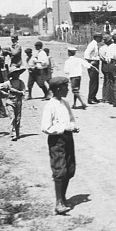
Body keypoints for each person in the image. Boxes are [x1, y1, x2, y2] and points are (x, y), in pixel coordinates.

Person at [41, 77, 79, 215]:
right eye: (65, 87)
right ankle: (58, 203)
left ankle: (63, 197)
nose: (67, 89)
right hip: (57, 140)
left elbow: (71, 119)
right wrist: (62, 129)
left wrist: (73, 126)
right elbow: (45, 127)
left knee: (70, 169)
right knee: (60, 170)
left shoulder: (65, 103)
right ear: (57, 89)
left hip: (68, 138)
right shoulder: (50, 105)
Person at [1, 66, 26, 141]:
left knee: (18, 118)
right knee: (13, 117)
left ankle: (17, 133)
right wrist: (5, 93)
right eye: (15, 73)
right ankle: (13, 134)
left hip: (18, 101)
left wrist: (16, 91)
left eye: (18, 73)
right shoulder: (8, 83)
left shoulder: (21, 82)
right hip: (10, 101)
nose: (17, 75)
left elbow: (23, 92)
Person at [84, 32, 103, 104]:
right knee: (93, 81)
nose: (101, 39)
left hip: (96, 62)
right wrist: (89, 62)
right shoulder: (92, 44)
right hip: (93, 63)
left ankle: (94, 96)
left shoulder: (95, 44)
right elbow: (86, 53)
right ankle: (90, 98)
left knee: (96, 81)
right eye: (100, 37)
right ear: (96, 37)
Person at [99, 33, 112, 103]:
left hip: (103, 65)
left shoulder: (102, 48)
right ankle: (107, 97)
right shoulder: (107, 48)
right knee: (108, 81)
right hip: (106, 64)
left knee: (105, 81)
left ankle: (105, 96)